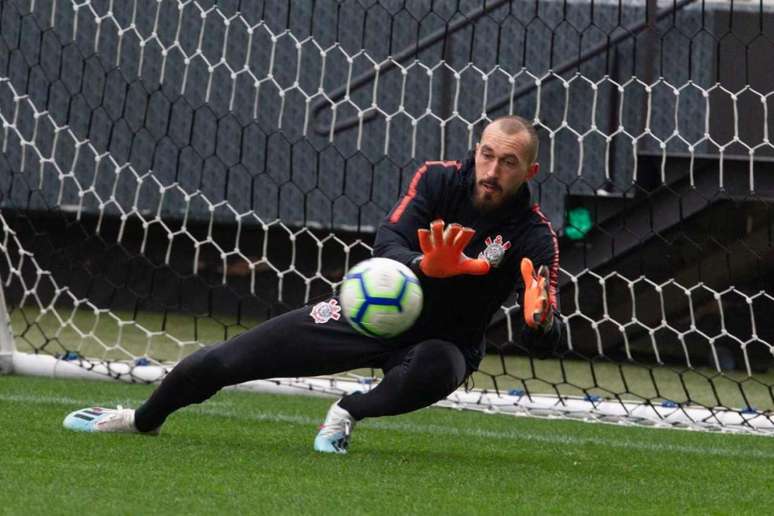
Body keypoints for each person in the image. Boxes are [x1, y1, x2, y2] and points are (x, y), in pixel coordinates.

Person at [63, 115, 563, 454]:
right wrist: (422, 265)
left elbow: (545, 329)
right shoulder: (438, 181)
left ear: (530, 171)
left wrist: (539, 322)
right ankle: (142, 419)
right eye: (488, 155)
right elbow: (387, 241)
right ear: (476, 152)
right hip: (366, 314)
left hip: (443, 341)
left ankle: (346, 413)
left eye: (509, 163)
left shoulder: (534, 235)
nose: (492, 171)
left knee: (439, 367)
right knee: (227, 360)